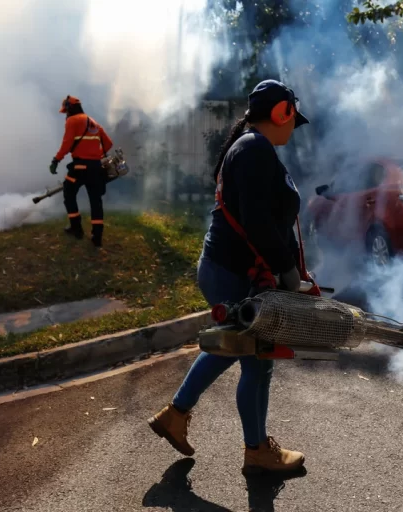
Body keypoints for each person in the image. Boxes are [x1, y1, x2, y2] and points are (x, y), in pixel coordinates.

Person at [147, 79, 310, 475]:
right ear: (281, 113)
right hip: (234, 273)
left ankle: (177, 414)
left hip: (232, 270)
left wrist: (294, 268)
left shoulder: (255, 150)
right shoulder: (254, 150)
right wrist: (287, 271)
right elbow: (256, 221)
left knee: (232, 349)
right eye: (293, 118)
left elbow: (272, 221)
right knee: (257, 362)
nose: (294, 127)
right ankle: (256, 451)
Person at [50, 95, 114, 248]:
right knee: (95, 201)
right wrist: (95, 156)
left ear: (70, 108)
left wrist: (56, 160)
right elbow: (108, 144)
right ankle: (97, 237)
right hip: (96, 169)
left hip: (79, 168)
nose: (65, 114)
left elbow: (66, 144)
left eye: (66, 111)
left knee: (68, 193)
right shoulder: (94, 123)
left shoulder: (72, 121)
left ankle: (76, 229)